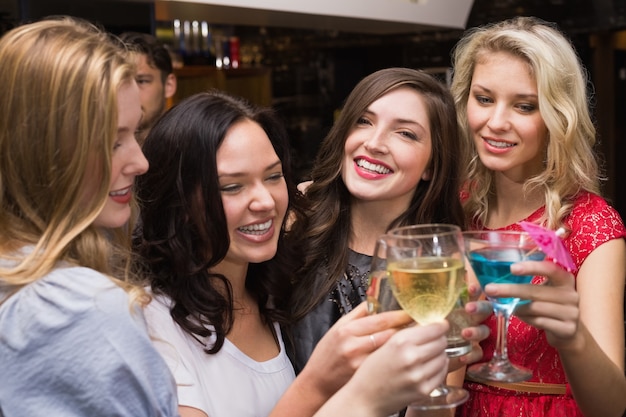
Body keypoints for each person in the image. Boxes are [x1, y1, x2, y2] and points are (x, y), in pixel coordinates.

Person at [133, 89, 458, 417]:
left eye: (273, 177)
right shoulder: (148, 324)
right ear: (179, 203)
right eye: (232, 186)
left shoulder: (270, 293)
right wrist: (319, 384)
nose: (266, 201)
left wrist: (432, 375)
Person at [0, 16, 178, 416]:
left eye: (135, 133)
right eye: (113, 142)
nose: (140, 161)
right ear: (42, 152)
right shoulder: (76, 311)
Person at [449, 16, 626, 417]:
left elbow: (612, 407)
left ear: (556, 115)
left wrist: (573, 337)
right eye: (484, 98)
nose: (495, 122)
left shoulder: (590, 225)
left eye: (524, 106)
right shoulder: (455, 209)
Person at [287, 67, 482, 374]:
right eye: (363, 121)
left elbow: (438, 404)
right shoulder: (292, 227)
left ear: (432, 165)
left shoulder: (445, 268)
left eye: (405, 133)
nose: (375, 143)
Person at [120, 31, 177, 144]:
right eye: (121, 82)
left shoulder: (186, 151)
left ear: (169, 86)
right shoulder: (97, 154)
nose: (130, 92)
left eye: (142, 81)